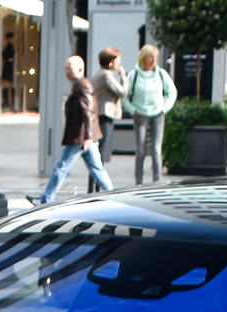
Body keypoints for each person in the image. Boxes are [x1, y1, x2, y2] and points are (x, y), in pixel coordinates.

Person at [34, 53, 111, 204]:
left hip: (80, 136)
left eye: (70, 68)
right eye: (66, 68)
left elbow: (89, 112)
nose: (67, 71)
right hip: (83, 136)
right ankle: (113, 194)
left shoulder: (83, 87)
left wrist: (88, 136)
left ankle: (46, 199)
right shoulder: (79, 86)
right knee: (97, 169)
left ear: (81, 69)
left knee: (61, 168)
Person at [128, 44, 173, 183]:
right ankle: (139, 182)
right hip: (140, 114)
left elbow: (172, 92)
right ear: (143, 58)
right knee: (141, 150)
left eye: (155, 57)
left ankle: (156, 182)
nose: (153, 60)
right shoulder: (134, 74)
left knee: (156, 151)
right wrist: (132, 109)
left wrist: (165, 108)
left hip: (157, 114)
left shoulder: (160, 74)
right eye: (150, 57)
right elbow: (123, 95)